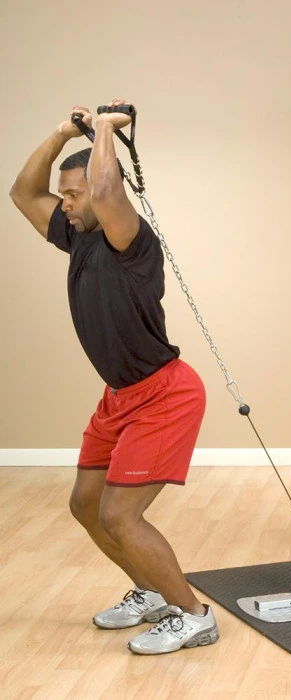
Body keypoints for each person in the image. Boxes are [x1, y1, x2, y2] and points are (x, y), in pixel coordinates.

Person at [9, 101, 219, 655]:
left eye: (73, 195)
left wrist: (103, 128)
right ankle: (151, 592)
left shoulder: (130, 239)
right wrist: (61, 134)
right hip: (119, 397)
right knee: (85, 505)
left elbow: (105, 191)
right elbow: (23, 194)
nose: (66, 203)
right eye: (65, 195)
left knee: (120, 516)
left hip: (164, 395)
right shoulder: (77, 235)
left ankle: (195, 615)